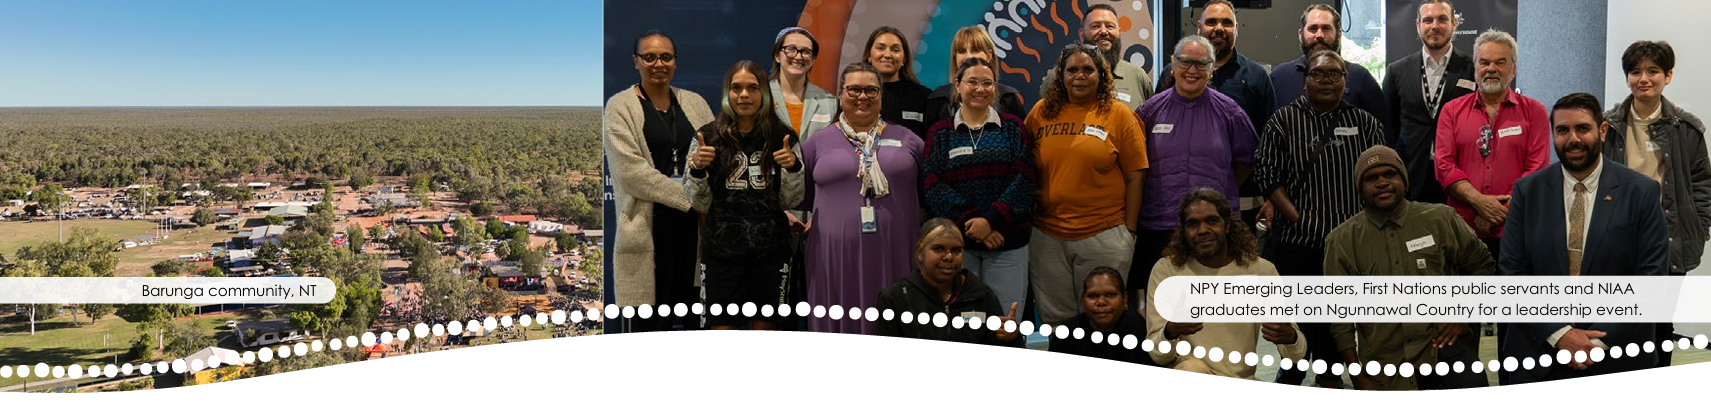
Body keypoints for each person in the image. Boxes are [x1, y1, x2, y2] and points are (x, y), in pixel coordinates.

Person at [1500, 93, 1668, 383]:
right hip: (1540, 351)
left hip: (1616, 353)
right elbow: (1513, 272)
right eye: (1562, 130)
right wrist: (1560, 334)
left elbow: (1651, 277)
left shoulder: (1640, 191)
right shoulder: (1528, 191)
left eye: (1582, 128)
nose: (1573, 139)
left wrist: (1594, 342)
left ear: (1601, 131)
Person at [1250, 50, 1386, 388]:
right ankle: (1292, 373)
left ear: (1345, 80)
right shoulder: (1282, 121)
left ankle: (1329, 379)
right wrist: (1297, 218)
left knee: (1337, 322)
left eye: (1334, 74)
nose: (1326, 81)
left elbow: (1382, 176)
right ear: (1304, 80)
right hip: (1298, 243)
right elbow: (1266, 174)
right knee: (1298, 320)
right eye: (1318, 74)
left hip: (1351, 247)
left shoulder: (1365, 123)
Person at [1324, 145, 1492, 390]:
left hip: (1444, 349)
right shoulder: (1341, 241)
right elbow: (1339, 317)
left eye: (1390, 174)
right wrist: (1358, 377)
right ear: (1359, 187)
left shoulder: (1440, 219)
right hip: (1385, 364)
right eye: (1371, 178)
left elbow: (1483, 265)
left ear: (1403, 179)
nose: (1382, 182)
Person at [1434, 30, 1549, 372]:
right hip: (1463, 235)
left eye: (1500, 62)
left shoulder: (1534, 112)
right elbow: (1444, 166)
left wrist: (1498, 212)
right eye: (1484, 62)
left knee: (1514, 325)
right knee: (1461, 323)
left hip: (1515, 236)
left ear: (1513, 68)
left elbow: (1536, 169)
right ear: (1475, 66)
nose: (1491, 69)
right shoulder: (1452, 111)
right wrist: (1479, 202)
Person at [1024, 44, 1147, 326]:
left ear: (1101, 75)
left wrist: (1129, 231)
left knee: (1104, 319)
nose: (1080, 76)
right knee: (1057, 321)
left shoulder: (1119, 114)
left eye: (1088, 70)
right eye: (1072, 70)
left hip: (1104, 234)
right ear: (1061, 76)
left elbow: (1136, 177)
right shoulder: (1041, 112)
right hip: (1048, 237)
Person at [1131, 35, 1257, 308]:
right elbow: (1133, 166)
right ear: (1173, 64)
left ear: (1211, 69)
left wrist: (1222, 190)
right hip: (1160, 225)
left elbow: (1247, 160)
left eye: (1201, 64)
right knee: (1162, 306)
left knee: (1211, 306)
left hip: (1212, 227)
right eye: (1185, 62)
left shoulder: (1230, 112)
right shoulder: (1149, 112)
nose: (1192, 70)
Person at [800, 62, 925, 335]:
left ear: (881, 95)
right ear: (840, 95)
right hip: (833, 259)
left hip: (896, 252)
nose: (862, 96)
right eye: (854, 89)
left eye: (871, 90)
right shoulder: (816, 143)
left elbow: (927, 195)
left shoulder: (909, 140)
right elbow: (799, 197)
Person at [1604, 40, 1708, 368]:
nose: (1644, 79)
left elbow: (1702, 183)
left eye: (1653, 71)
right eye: (1635, 72)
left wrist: (1699, 227)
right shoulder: (1608, 126)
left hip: (1668, 237)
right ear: (1627, 78)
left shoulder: (1686, 128)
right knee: (1615, 322)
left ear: (1668, 75)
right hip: (1617, 237)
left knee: (1660, 324)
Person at [602, 31, 711, 332]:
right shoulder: (620, 106)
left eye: (666, 57)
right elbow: (631, 173)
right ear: (635, 61)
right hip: (648, 227)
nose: (658, 64)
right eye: (649, 57)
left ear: (675, 61)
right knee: (648, 328)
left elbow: (715, 156)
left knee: (694, 323)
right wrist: (690, 199)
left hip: (694, 230)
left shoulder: (696, 103)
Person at [685, 60, 804, 331]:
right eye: (736, 88)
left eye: (752, 88)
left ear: (764, 93)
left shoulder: (783, 137)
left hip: (771, 253)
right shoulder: (707, 137)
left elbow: (792, 200)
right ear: (727, 93)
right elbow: (698, 202)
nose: (744, 95)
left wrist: (792, 168)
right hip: (721, 253)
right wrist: (698, 169)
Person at [1144, 188, 1303, 379]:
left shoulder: (1261, 271)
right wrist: (1171, 331)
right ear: (1184, 231)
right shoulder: (1166, 271)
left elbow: (1297, 354)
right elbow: (1157, 355)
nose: (1203, 230)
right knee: (1192, 369)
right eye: (1193, 224)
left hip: (1242, 380)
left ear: (1227, 224)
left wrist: (1290, 337)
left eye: (1212, 221)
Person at [920, 57, 1037, 312]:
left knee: (1005, 320)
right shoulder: (940, 133)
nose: (980, 89)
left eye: (987, 83)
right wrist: (973, 222)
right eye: (972, 82)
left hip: (1007, 244)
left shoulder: (1013, 128)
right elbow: (932, 184)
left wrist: (991, 221)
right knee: (964, 321)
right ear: (958, 85)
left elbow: (1024, 179)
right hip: (958, 247)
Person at [1153, 0, 1275, 232]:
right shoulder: (1171, 74)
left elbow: (1269, 145)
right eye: (1211, 22)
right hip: (1172, 204)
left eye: (1226, 23)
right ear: (1199, 27)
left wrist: (1268, 195)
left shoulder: (1257, 76)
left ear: (1236, 29)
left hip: (1239, 201)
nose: (1219, 28)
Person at [770, 26, 839, 331]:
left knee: (818, 304)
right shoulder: (757, 98)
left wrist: (821, 214)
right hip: (771, 214)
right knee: (774, 308)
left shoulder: (830, 102)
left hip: (816, 219)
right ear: (777, 55)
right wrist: (777, 211)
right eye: (791, 49)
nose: (798, 56)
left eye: (806, 51)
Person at [875, 218, 1022, 347]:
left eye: (956, 250)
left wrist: (1011, 338)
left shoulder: (981, 295)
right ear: (920, 252)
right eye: (939, 249)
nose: (949, 257)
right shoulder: (895, 298)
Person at [1384, 0, 1476, 205]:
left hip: (1460, 177)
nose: (1435, 26)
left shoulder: (1473, 68)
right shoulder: (1396, 71)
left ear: (1454, 23)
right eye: (1428, 20)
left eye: (1442, 19)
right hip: (1411, 175)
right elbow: (1389, 126)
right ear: (1418, 26)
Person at [1270, 4, 1386, 131]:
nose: (1319, 35)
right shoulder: (1279, 77)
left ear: (1339, 34)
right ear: (1300, 34)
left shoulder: (1360, 77)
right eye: (1313, 29)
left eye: (1326, 28)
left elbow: (1382, 133)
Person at [1037, 3, 1154, 110]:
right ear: (1081, 34)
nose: (1103, 31)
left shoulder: (1137, 77)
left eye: (1110, 26)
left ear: (1119, 32)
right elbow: (1042, 118)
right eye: (1095, 26)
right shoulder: (1058, 76)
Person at [925, 26, 1026, 128]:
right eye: (962, 51)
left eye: (975, 50)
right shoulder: (939, 100)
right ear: (955, 57)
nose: (968, 57)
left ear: (989, 55)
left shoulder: (1008, 99)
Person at [1050, 267, 1153, 365]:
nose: (1101, 302)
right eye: (1093, 296)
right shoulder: (1066, 333)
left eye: (1110, 295)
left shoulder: (1140, 330)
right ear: (1083, 300)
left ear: (1125, 298)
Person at [863, 26, 933, 139]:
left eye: (895, 50)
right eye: (880, 48)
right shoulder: (855, 94)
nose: (887, 55)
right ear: (869, 55)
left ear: (904, 58)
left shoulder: (924, 97)